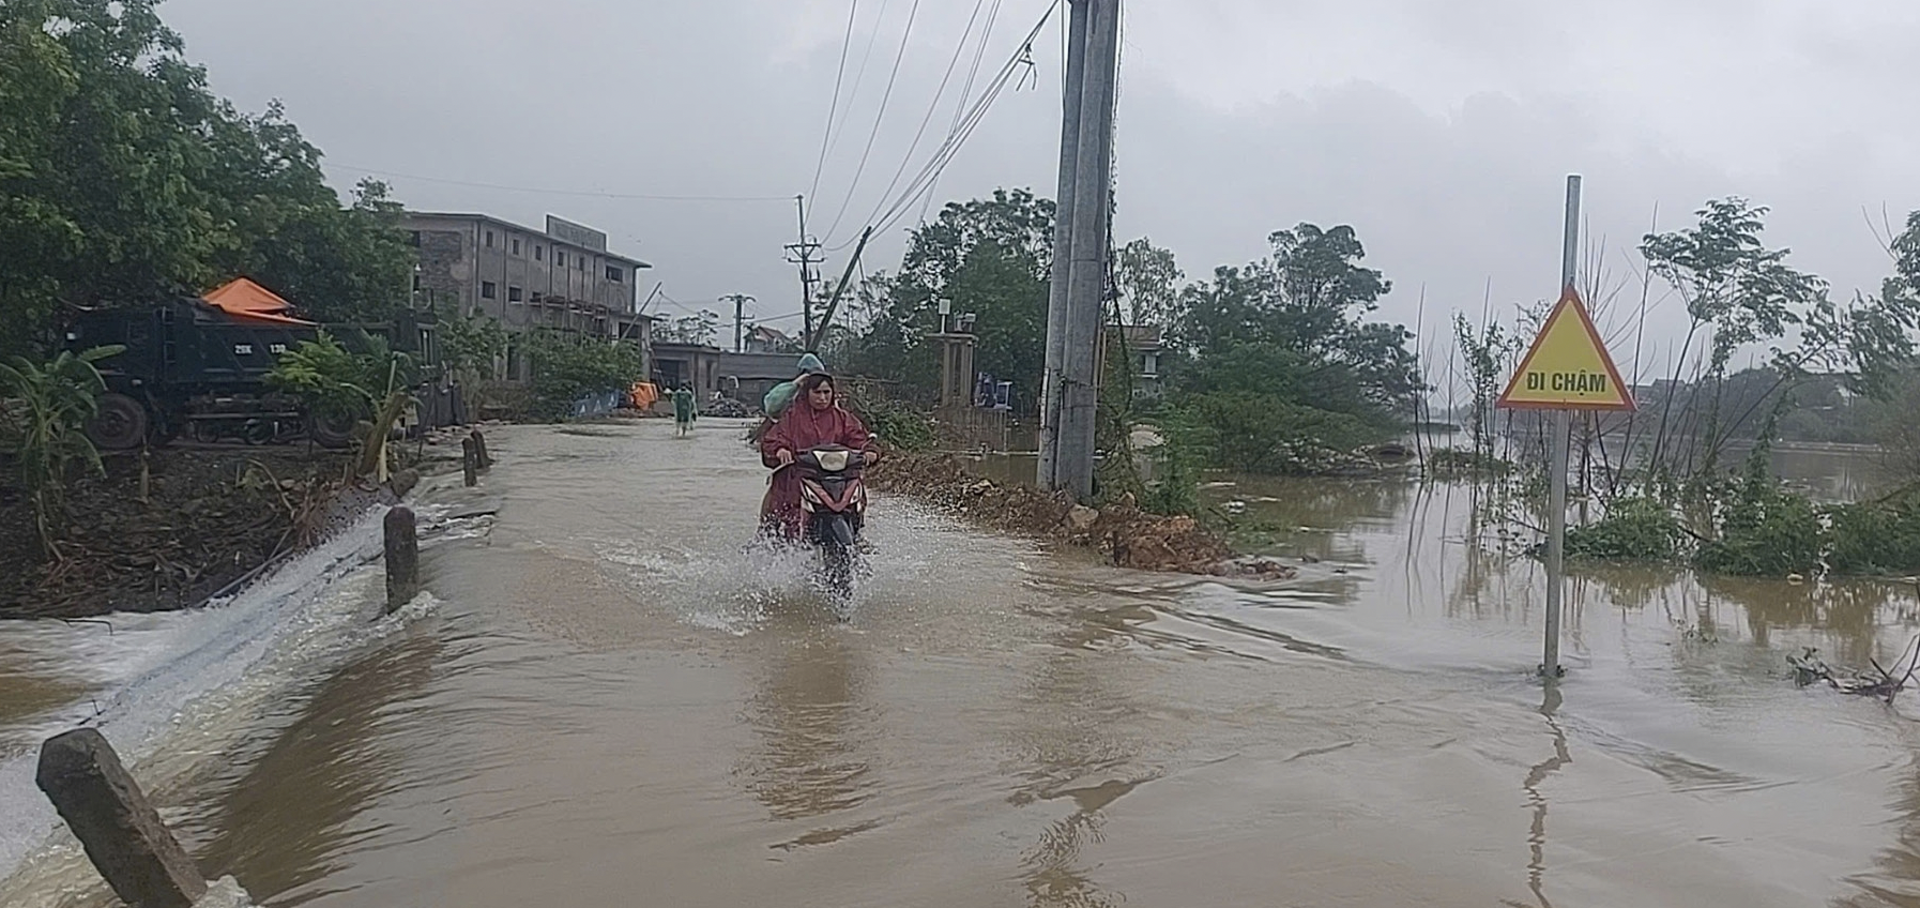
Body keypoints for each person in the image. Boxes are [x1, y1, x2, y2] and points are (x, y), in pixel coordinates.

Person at [758, 372, 879, 541]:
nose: (822, 398)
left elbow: (860, 438)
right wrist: (780, 450)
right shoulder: (792, 417)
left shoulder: (842, 418)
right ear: (807, 393)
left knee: (855, 503)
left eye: (826, 393)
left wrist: (870, 451)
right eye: (817, 392)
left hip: (838, 479)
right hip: (799, 477)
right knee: (780, 511)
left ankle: (856, 535)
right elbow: (773, 439)